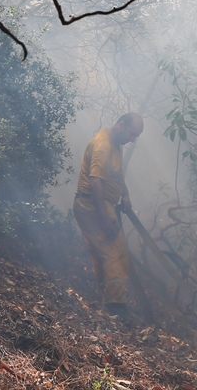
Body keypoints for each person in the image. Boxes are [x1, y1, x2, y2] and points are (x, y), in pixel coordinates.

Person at [73, 112, 143, 318]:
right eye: (132, 134)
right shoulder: (103, 145)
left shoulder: (116, 143)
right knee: (115, 252)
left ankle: (110, 301)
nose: (132, 140)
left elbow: (116, 174)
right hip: (92, 204)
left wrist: (126, 195)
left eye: (136, 136)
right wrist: (104, 219)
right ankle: (115, 306)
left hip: (100, 204)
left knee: (103, 253)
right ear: (121, 125)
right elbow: (95, 181)